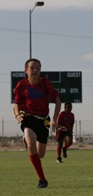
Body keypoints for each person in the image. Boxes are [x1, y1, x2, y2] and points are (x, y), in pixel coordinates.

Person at [13, 58, 61, 188]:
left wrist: (55, 119)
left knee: (40, 154)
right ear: (26, 70)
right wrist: (17, 115)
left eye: (38, 68)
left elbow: (57, 100)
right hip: (28, 118)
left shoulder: (45, 84)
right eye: (32, 68)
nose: (35, 70)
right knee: (31, 142)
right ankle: (42, 180)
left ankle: (28, 141)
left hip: (43, 120)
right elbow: (16, 105)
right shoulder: (21, 85)